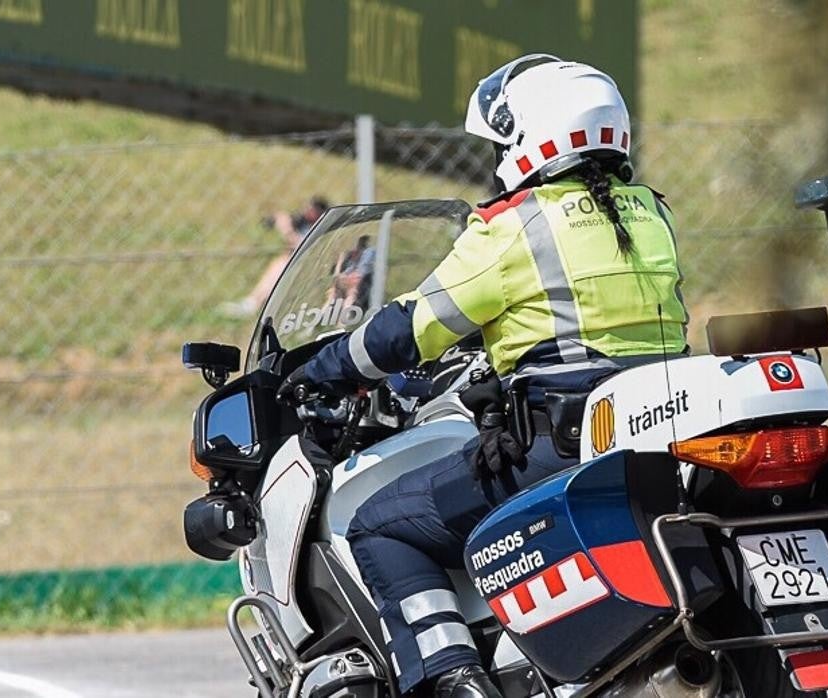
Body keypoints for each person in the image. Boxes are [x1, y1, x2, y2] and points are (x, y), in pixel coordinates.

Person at [277, 55, 687, 698]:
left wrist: (325, 367)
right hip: (655, 429)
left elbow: (410, 329)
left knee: (381, 525)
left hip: (559, 443)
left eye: (502, 142)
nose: (497, 158)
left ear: (531, 138)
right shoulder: (650, 214)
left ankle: (453, 677)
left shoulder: (515, 225)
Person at [220, 196, 329, 318]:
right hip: (295, 264)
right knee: (280, 262)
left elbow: (302, 247)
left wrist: (287, 229)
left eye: (310, 210)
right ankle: (253, 301)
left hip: (313, 266)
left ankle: (254, 303)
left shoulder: (322, 228)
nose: (305, 212)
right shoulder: (303, 223)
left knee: (282, 264)